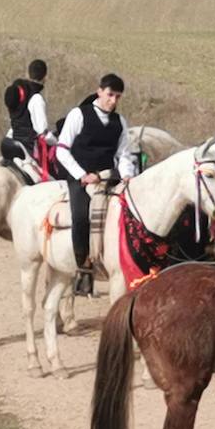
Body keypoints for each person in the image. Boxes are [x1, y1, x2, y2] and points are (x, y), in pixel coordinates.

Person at [54, 73, 138, 297]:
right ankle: (83, 267)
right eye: (110, 95)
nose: (113, 101)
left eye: (118, 97)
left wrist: (128, 175)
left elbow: (125, 154)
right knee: (81, 215)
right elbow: (61, 149)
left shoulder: (120, 121)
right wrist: (81, 175)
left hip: (109, 177)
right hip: (80, 178)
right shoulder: (78, 115)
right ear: (100, 91)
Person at [0, 59, 52, 180]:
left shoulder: (19, 94)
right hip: (27, 149)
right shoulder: (36, 98)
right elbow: (42, 133)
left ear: (27, 74)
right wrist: (59, 143)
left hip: (10, 142)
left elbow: (16, 123)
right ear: (45, 77)